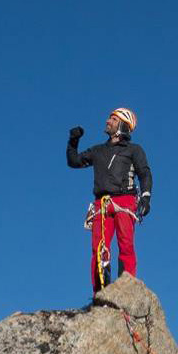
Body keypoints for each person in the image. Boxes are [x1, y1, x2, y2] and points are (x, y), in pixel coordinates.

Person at [67, 107, 152, 292]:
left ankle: (126, 291)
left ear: (123, 125)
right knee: (98, 250)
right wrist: (73, 141)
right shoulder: (98, 151)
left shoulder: (134, 150)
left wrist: (146, 197)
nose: (107, 121)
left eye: (113, 119)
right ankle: (101, 294)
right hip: (101, 204)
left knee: (126, 245)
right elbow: (74, 161)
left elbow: (144, 173)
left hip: (125, 201)